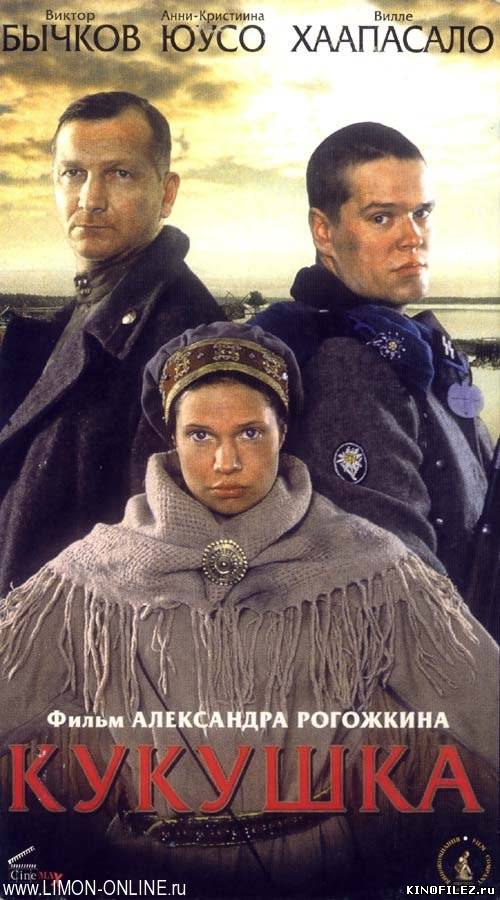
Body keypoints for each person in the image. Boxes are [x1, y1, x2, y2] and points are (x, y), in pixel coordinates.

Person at [0, 323, 497, 895]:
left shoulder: (373, 568)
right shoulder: (88, 575)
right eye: (200, 435)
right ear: (170, 437)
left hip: (322, 876)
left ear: (283, 432)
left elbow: (484, 705)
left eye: (250, 433)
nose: (226, 461)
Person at [253, 123, 493, 624]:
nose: (412, 237)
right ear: (324, 232)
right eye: (382, 217)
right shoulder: (348, 364)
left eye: (421, 213)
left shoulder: (418, 348)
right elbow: (399, 598)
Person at [0, 90, 222, 595]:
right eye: (73, 173)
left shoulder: (185, 339)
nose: (90, 199)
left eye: (119, 174)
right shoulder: (82, 315)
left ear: (166, 193)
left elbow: (162, 564)